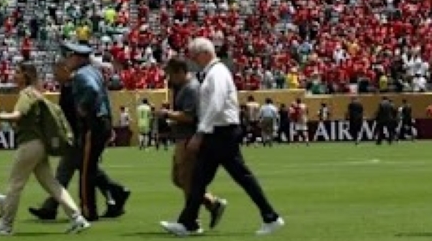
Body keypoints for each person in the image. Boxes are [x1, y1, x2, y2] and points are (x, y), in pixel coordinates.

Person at [160, 38, 284, 237]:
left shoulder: (216, 74)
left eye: (194, 56)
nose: (193, 61)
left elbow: (215, 105)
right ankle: (188, 222)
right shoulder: (214, 73)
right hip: (220, 132)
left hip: (221, 133)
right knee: (201, 179)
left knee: (233, 178)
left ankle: (270, 216)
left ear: (204, 53)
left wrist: (200, 133)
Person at [0, 63, 90, 235]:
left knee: (14, 185)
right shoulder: (35, 93)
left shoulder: (26, 94)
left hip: (30, 145)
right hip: (39, 145)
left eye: (17, 72)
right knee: (51, 184)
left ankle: (6, 225)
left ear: (25, 75)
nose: (13, 74)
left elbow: (18, 115)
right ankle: (77, 218)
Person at [29, 57, 129, 222]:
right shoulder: (70, 86)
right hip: (80, 135)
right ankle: (115, 193)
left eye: (57, 72)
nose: (54, 76)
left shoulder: (75, 86)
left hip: (79, 136)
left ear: (65, 70)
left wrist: (75, 136)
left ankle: (53, 207)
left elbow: (77, 114)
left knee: (70, 171)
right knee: (86, 170)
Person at [64, 43, 131, 222]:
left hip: (93, 124)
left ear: (78, 58)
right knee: (90, 166)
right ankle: (116, 192)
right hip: (104, 121)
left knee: (86, 170)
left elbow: (92, 91)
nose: (67, 60)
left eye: (70, 56)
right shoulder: (95, 71)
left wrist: (83, 108)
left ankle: (88, 210)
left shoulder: (81, 75)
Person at [162, 58, 227, 229]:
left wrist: (168, 114)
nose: (169, 78)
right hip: (182, 137)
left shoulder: (191, 89)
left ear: (181, 72)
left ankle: (192, 221)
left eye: (171, 74)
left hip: (189, 138)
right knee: (179, 179)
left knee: (187, 179)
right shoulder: (183, 87)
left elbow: (189, 116)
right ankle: (212, 203)